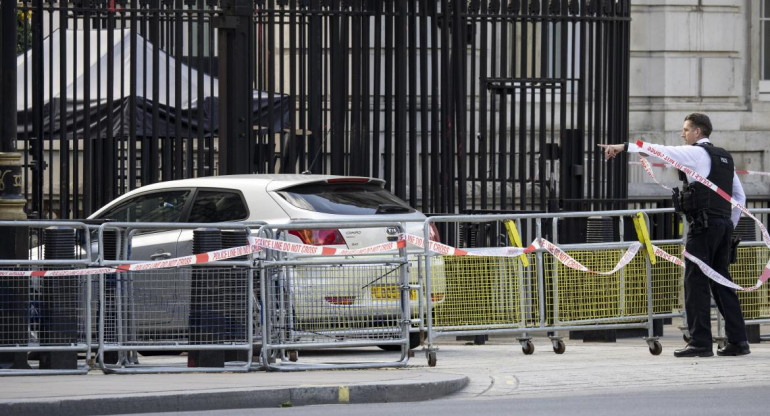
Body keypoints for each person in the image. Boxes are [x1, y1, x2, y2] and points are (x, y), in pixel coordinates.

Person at [598, 113, 750, 358]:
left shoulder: (696, 153)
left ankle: (700, 343)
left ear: (698, 132)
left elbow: (662, 150)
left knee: (695, 283)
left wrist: (622, 147)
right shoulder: (724, 158)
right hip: (722, 227)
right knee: (722, 283)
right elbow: (740, 198)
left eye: (686, 130)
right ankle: (739, 341)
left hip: (703, 227)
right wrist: (728, 228)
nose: (683, 134)